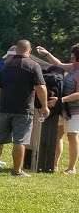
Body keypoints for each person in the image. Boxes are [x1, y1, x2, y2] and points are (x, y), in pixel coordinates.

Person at [0, 40, 50, 177]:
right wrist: (45, 106)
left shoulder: (5, 66)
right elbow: (41, 87)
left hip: (5, 108)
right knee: (20, 141)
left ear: (16, 50)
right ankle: (17, 170)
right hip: (23, 109)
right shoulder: (33, 65)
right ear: (29, 51)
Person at [36, 44, 79, 174]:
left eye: (73, 54)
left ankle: (72, 168)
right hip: (63, 108)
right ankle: (54, 165)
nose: (71, 56)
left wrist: (61, 100)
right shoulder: (74, 67)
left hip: (75, 110)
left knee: (72, 136)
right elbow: (59, 64)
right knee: (57, 136)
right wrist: (47, 54)